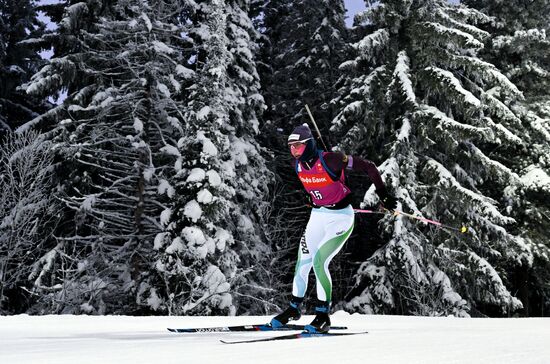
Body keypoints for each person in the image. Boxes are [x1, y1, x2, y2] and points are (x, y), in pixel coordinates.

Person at [270, 123, 397, 333]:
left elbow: (369, 167)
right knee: (303, 262)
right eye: (291, 146)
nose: (294, 150)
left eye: (298, 145)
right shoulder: (297, 164)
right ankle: (293, 309)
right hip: (318, 216)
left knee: (320, 261)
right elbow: (315, 184)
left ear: (309, 144)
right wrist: (312, 198)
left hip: (340, 218)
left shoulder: (331, 159)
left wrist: (383, 194)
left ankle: (322, 316)